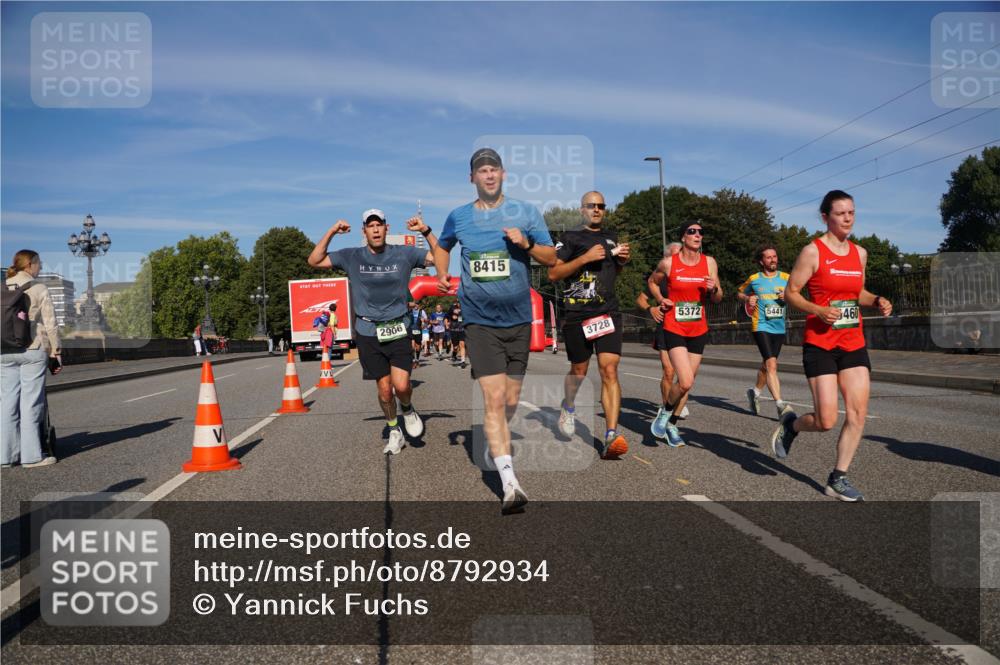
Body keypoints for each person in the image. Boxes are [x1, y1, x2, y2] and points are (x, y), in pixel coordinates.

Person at [433, 147, 556, 514]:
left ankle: (495, 439)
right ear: (472, 178)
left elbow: (552, 259)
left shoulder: (526, 213)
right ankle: (509, 482)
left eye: (494, 169)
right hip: (479, 320)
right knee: (493, 399)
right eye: (481, 170)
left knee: (511, 401)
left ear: (503, 175)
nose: (488, 175)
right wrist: (441, 273)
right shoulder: (459, 217)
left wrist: (527, 244)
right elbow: (442, 247)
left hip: (517, 320)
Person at [769, 190, 892, 502]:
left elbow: (858, 293)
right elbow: (791, 293)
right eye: (841, 213)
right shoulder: (813, 252)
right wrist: (818, 310)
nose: (848, 218)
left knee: (858, 413)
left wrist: (875, 300)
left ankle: (838, 477)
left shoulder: (860, 253)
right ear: (825, 217)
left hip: (852, 342)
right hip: (820, 344)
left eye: (851, 212)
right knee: (826, 420)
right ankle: (792, 425)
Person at [308, 209, 438, 455]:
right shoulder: (352, 256)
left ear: (386, 228)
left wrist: (425, 230)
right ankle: (394, 430)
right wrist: (332, 231)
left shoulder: (404, 254)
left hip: (398, 327)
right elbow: (314, 260)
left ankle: (408, 409)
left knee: (401, 386)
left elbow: (441, 259)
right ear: (364, 231)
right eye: (371, 226)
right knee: (384, 389)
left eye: (379, 225)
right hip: (368, 331)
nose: (375, 229)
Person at [549, 191, 631, 458]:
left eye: (601, 206)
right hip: (577, 315)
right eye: (592, 206)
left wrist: (620, 263)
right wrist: (584, 258)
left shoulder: (611, 238)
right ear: (582, 210)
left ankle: (610, 434)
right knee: (579, 371)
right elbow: (553, 274)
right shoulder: (569, 238)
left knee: (609, 370)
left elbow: (610, 274)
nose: (597, 210)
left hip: (607, 313)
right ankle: (568, 406)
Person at [647, 220, 723, 447]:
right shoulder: (669, 263)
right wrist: (660, 299)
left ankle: (671, 424)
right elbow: (652, 282)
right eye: (692, 232)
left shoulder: (709, 263)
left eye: (700, 231)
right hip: (674, 326)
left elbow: (718, 298)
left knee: (686, 383)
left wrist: (714, 289)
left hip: (698, 329)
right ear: (683, 237)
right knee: (686, 381)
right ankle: (665, 412)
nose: (697, 235)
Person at [2, 250, 62, 468]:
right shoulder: (38, 287)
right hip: (32, 349)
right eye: (39, 264)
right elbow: (50, 324)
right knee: (31, 403)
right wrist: (56, 352)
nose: (41, 267)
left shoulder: (3, 286)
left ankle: (5, 456)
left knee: (6, 403)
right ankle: (31, 457)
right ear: (29, 265)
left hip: (4, 351)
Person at [635, 242, 690, 422]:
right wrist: (651, 309)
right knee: (668, 371)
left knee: (685, 374)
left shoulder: (689, 274)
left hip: (688, 328)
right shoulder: (659, 278)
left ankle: (675, 398)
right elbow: (641, 299)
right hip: (666, 327)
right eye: (673, 256)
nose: (678, 258)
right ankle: (666, 405)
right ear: (666, 258)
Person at [737, 245, 792, 418]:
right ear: (762, 261)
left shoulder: (787, 278)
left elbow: (797, 296)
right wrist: (748, 298)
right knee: (771, 365)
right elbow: (739, 293)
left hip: (779, 327)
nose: (773, 259)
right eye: (768, 257)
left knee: (767, 364)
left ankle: (755, 392)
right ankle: (780, 405)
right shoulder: (754, 279)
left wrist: (788, 296)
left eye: (774, 256)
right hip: (760, 325)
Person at [408, 301, 426, 367]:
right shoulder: (409, 311)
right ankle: (413, 361)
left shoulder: (422, 312)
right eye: (415, 304)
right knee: (412, 346)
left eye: (417, 304)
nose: (416, 305)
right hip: (411, 330)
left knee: (418, 347)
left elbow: (426, 321)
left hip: (418, 331)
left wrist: (423, 321)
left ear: (419, 305)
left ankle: (417, 359)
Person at [448, 301, 466, 366]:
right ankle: (454, 354)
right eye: (458, 301)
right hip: (454, 329)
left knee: (462, 344)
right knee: (455, 347)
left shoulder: (465, 307)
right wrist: (452, 316)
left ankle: (463, 361)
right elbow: (448, 314)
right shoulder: (452, 307)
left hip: (462, 329)